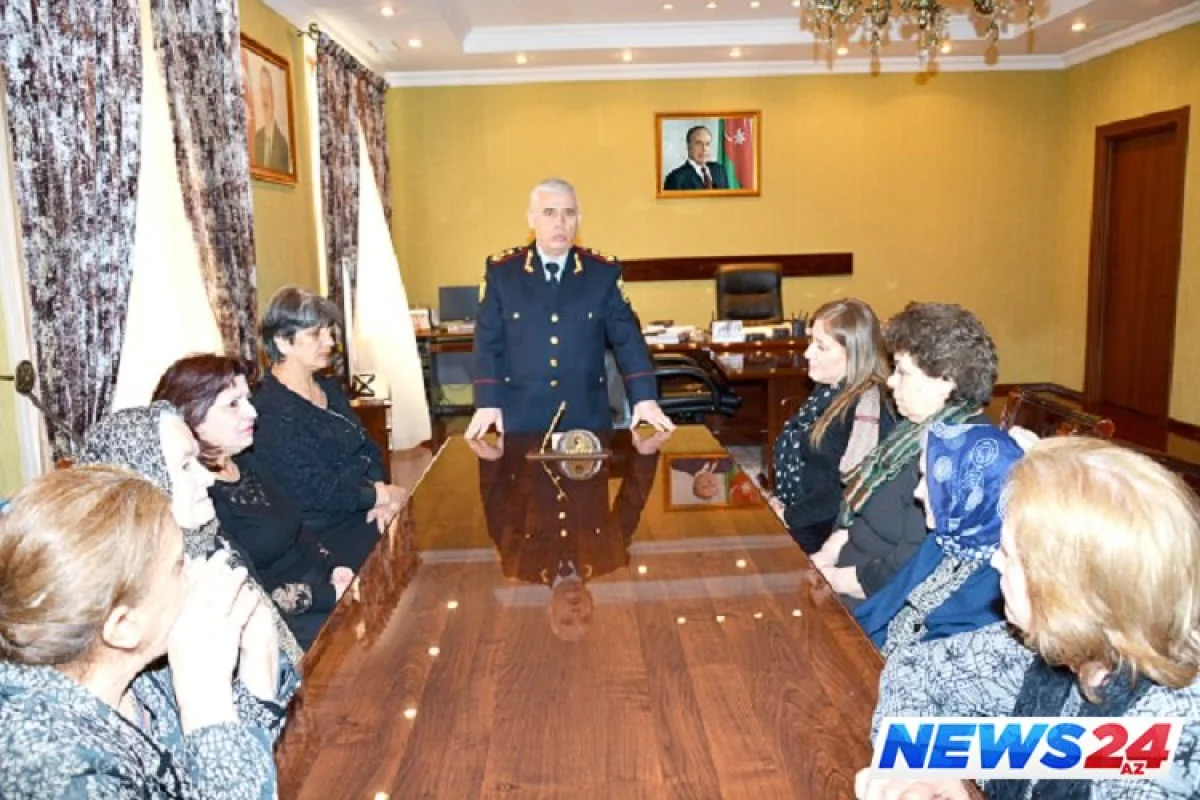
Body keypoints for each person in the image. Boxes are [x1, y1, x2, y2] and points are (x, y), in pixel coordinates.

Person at [856, 438, 1200, 800]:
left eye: (1008, 553)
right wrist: (923, 768)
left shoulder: (1173, 739)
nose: (994, 562)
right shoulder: (1062, 642)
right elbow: (916, 670)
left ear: (1063, 588)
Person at [0, 466, 298, 798]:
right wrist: (206, 702)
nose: (195, 571)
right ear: (123, 627)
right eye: (178, 566)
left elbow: (256, 762)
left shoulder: (141, 669)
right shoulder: (58, 774)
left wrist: (257, 673)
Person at [77, 402, 305, 665]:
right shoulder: (153, 604)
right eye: (185, 466)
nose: (208, 478)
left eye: (197, 460)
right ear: (143, 481)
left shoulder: (208, 541)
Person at [154, 354, 355, 650]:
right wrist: (328, 595)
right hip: (279, 625)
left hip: (320, 590)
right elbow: (247, 595)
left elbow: (297, 528)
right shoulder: (198, 497)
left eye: (247, 400)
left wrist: (334, 566)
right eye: (233, 404)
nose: (252, 412)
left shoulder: (247, 461)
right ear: (192, 416)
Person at [812, 302, 997, 607]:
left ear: (945, 380)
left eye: (902, 371)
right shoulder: (911, 431)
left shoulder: (955, 457)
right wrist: (827, 554)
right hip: (844, 571)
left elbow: (907, 568)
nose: (891, 381)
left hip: (880, 603)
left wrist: (833, 579)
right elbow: (859, 513)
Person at [466, 178, 674, 437]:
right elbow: (487, 343)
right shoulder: (503, 273)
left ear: (579, 219)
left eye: (569, 213)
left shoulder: (602, 272)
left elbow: (627, 339)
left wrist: (644, 398)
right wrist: (487, 401)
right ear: (531, 219)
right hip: (521, 415)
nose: (560, 223)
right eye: (549, 213)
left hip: (586, 416)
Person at [252, 286, 408, 572]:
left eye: (329, 332)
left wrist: (379, 495)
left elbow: (368, 447)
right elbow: (314, 490)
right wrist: (379, 495)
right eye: (316, 334)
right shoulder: (268, 409)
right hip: (319, 533)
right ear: (283, 343)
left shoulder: (329, 388)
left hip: (362, 507)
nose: (330, 342)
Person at [469, 428, 665, 641]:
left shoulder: (520, 564)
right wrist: (646, 455)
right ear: (592, 604)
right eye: (585, 618)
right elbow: (631, 502)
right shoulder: (609, 556)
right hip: (585, 436)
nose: (576, 612)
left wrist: (490, 462)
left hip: (529, 439)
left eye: (566, 620)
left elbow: (496, 509)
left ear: (550, 610)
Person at [853, 422, 1026, 657]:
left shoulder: (998, 578)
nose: (917, 492)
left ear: (968, 489)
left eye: (929, 480)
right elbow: (883, 608)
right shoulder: (946, 539)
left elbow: (935, 663)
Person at [768, 298, 895, 553]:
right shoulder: (829, 390)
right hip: (802, 512)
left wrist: (789, 517)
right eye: (811, 342)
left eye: (821, 347)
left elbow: (846, 491)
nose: (807, 353)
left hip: (829, 531)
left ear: (854, 352)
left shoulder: (868, 408)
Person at [662, 125, 730, 191]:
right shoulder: (675, 178)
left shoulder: (720, 170)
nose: (704, 149)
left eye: (707, 144)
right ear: (688, 146)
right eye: (698, 144)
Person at [253, 64, 290, 173]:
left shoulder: (283, 144)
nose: (264, 97)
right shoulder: (257, 138)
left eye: (268, 90)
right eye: (262, 91)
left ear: (273, 96)